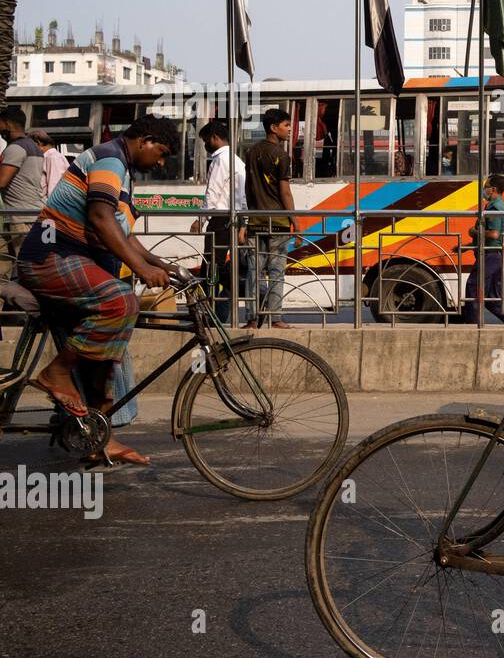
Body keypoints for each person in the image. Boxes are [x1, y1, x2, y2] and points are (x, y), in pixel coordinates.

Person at [18, 114, 180, 465]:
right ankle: (56, 373)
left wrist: (162, 266)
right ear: (145, 139)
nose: (161, 162)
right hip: (50, 256)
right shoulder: (110, 159)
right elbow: (101, 219)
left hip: (69, 258)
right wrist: (140, 269)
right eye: (162, 152)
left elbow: (124, 234)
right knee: (120, 302)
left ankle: (97, 438)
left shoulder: (121, 169)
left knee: (104, 357)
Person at [190, 121, 247, 324]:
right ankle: (217, 311)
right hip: (231, 219)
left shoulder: (221, 160)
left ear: (215, 137)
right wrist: (243, 222)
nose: (206, 145)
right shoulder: (237, 161)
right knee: (216, 267)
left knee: (212, 268)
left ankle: (249, 291)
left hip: (220, 219)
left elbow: (212, 194)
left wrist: (200, 219)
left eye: (206, 141)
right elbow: (242, 198)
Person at [244, 108, 296, 329]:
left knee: (254, 272)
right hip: (279, 222)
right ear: (274, 128)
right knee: (276, 271)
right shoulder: (282, 156)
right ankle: (276, 318)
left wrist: (248, 217)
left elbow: (248, 189)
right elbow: (285, 192)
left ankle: (253, 319)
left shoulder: (252, 152)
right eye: (286, 125)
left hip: (256, 221)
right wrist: (296, 221)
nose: (290, 129)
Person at [461, 173, 504, 324]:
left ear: (493, 189)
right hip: (495, 255)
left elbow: (494, 234)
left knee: (473, 286)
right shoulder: (499, 206)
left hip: (489, 256)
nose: (484, 190)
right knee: (493, 299)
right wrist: (467, 246)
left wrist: (473, 231)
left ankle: (472, 325)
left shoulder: (495, 208)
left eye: (486, 187)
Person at [0, 111, 49, 278]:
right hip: (34, 213)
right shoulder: (34, 147)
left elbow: (1, 181)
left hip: (20, 217)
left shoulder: (15, 148)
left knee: (28, 269)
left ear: (6, 123)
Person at [26, 129, 70, 201]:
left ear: (38, 142)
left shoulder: (53, 157)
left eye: (30, 145)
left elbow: (54, 185)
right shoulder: (47, 157)